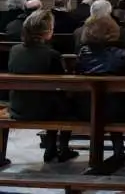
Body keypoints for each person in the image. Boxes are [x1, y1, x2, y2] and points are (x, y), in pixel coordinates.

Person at [8, 10, 78, 163]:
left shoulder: (15, 50)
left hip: (18, 107)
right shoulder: (51, 54)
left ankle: (51, 148)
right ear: (46, 32)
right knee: (66, 105)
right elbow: (61, 85)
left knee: (50, 100)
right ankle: (62, 148)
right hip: (44, 110)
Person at [76, 14, 125, 163]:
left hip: (87, 107)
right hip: (118, 110)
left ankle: (119, 150)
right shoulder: (124, 55)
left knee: (114, 100)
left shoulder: (83, 53)